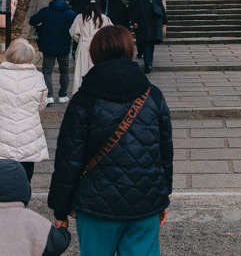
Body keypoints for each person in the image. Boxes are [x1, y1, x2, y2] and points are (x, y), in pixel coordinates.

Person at [47, 26, 173, 256]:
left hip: (96, 204)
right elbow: (164, 153)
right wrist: (162, 196)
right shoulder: (153, 95)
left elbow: (69, 160)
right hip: (145, 201)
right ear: (130, 51)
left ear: (94, 54)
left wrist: (60, 209)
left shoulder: (84, 100)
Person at [0, 38, 50, 181]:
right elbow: (41, 106)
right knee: (26, 172)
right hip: (29, 130)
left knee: (1, 172)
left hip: (1, 130)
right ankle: (23, 198)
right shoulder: (38, 77)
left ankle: (2, 200)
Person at [29, 0, 76, 102]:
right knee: (64, 70)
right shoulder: (71, 14)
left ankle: (49, 95)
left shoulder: (45, 11)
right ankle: (63, 95)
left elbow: (32, 21)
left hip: (47, 46)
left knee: (47, 71)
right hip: (64, 46)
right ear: (66, 2)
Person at [69, 0, 110, 94]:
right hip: (99, 44)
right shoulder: (104, 18)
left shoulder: (80, 17)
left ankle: (80, 90)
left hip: (84, 44)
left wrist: (80, 40)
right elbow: (110, 32)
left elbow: (73, 32)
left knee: (81, 69)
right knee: (98, 68)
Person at [128, 0, 168, 74]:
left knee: (146, 41)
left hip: (143, 21)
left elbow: (133, 9)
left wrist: (134, 21)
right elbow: (161, 8)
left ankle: (148, 63)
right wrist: (164, 21)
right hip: (155, 21)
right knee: (151, 42)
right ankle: (149, 61)